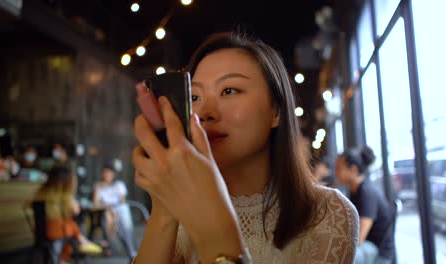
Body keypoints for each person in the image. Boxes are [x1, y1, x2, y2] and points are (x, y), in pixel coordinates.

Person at [132, 32, 358, 263]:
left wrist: (217, 233)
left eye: (229, 91)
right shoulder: (182, 212)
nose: (205, 113)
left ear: (276, 111)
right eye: (195, 97)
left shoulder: (327, 212)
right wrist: (165, 210)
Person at [335, 145, 395, 264]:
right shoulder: (354, 190)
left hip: (378, 251)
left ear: (353, 170)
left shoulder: (367, 193)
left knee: (342, 257)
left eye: (339, 168)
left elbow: (359, 238)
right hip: (368, 245)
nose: (335, 172)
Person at [34, 166, 102, 263]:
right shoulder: (63, 194)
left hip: (40, 231)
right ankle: (80, 242)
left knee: (69, 226)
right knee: (71, 225)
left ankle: (68, 253)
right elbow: (74, 211)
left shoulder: (41, 191)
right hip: (55, 231)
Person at [92, 163, 137, 258]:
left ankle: (132, 253)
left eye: (109, 173)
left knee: (127, 232)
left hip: (120, 211)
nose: (107, 175)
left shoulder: (119, 185)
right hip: (107, 212)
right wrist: (108, 208)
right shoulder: (98, 186)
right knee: (108, 221)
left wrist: (111, 208)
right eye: (105, 172)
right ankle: (111, 247)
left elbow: (122, 201)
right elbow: (96, 205)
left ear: (113, 174)